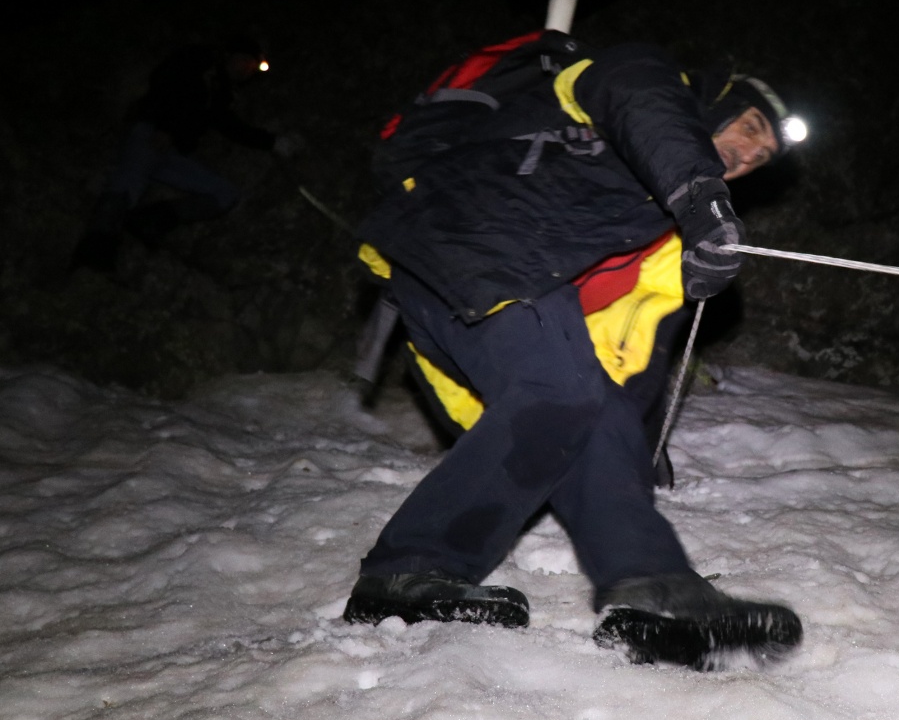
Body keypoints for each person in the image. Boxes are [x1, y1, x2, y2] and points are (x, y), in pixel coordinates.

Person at [341, 40, 806, 669]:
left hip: (512, 270)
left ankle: (651, 591)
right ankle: (408, 572)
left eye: (763, 157)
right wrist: (700, 195)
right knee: (560, 392)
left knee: (592, 407)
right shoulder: (641, 77)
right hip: (466, 230)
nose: (750, 154)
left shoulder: (659, 236)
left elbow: (629, 358)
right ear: (716, 101)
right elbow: (643, 102)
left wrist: (633, 449)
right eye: (750, 128)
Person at [72, 34, 300, 271]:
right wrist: (166, 126)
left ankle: (146, 222)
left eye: (253, 68)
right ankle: (93, 257)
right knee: (126, 187)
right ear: (230, 56)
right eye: (245, 61)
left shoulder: (220, 93)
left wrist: (272, 142)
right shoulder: (199, 60)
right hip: (150, 133)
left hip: (171, 152)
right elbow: (165, 80)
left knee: (225, 194)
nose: (247, 70)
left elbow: (231, 127)